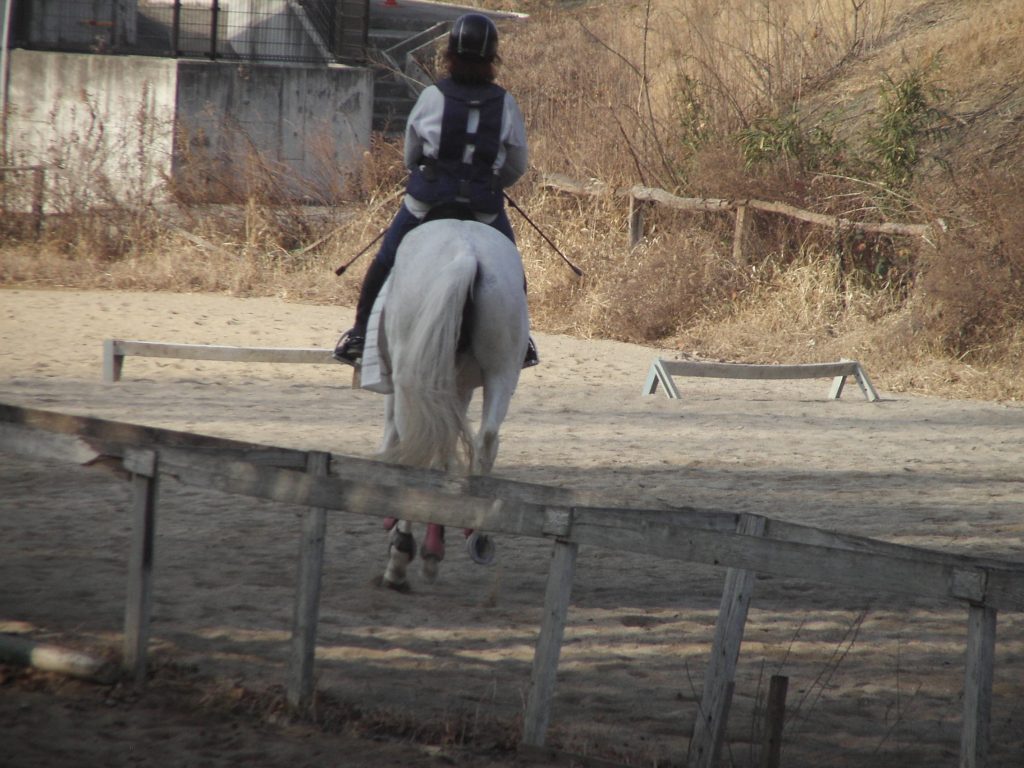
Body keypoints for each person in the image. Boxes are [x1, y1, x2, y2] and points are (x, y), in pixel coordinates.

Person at [334, 12, 538, 368]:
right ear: (492, 59)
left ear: (450, 55)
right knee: (512, 270)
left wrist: (428, 174)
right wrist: (491, 181)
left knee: (384, 261)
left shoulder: (432, 96)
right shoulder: (505, 102)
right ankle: (521, 344)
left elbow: (411, 155)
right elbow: (517, 163)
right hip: (483, 208)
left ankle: (360, 334)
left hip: (427, 203)